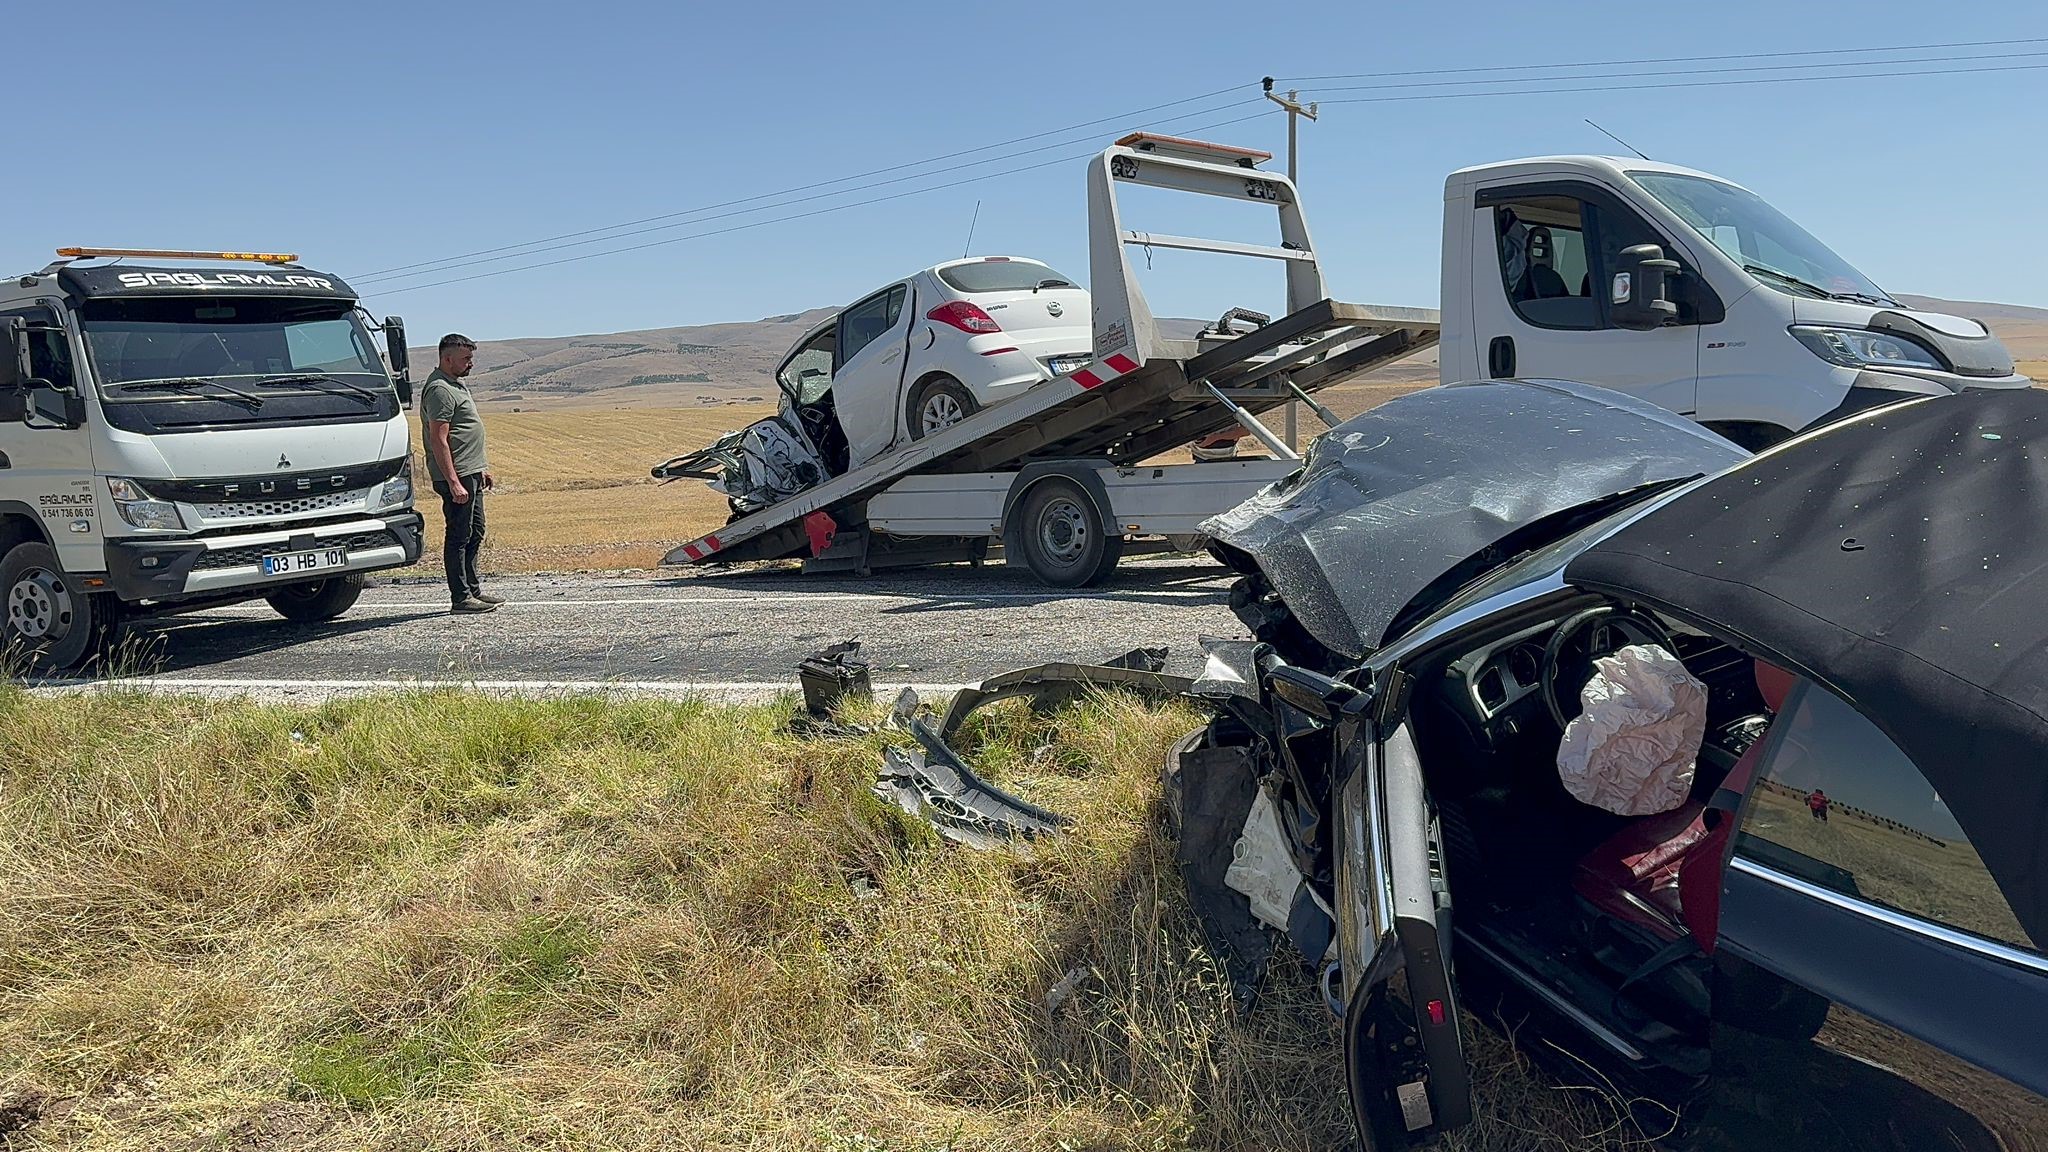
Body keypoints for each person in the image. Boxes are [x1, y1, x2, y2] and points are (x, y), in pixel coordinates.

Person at [420, 333, 500, 613]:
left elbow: (465, 430)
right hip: (457, 475)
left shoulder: (456, 385)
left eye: (471, 358)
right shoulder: (440, 389)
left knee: (476, 531)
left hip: (471, 471)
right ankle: (460, 597)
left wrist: (481, 468)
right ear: (447, 358)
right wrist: (454, 482)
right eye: (466, 359)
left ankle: (473, 590)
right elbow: (438, 439)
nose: (470, 364)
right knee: (459, 535)